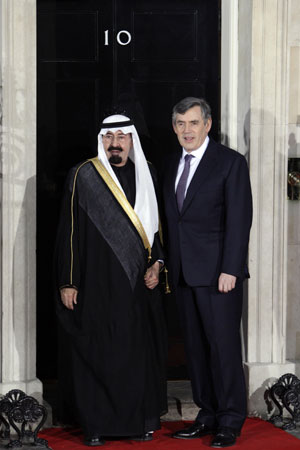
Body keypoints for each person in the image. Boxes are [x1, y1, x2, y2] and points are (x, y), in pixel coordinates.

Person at [55, 114, 167, 446]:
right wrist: (68, 281)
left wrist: (158, 265)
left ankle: (139, 423)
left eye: (121, 136)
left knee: (136, 354)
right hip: (95, 283)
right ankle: (96, 426)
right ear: (101, 140)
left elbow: (157, 232)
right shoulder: (83, 175)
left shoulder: (147, 174)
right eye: (108, 137)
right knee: (98, 350)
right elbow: (69, 232)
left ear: (132, 140)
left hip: (137, 286)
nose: (115, 143)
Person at [162, 97, 252, 448]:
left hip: (219, 276)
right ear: (174, 127)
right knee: (195, 350)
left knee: (223, 348)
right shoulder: (171, 164)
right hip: (184, 274)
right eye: (181, 123)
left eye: (193, 122)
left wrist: (231, 268)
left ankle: (230, 419)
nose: (187, 130)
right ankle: (207, 414)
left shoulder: (230, 163)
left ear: (208, 124)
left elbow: (239, 220)